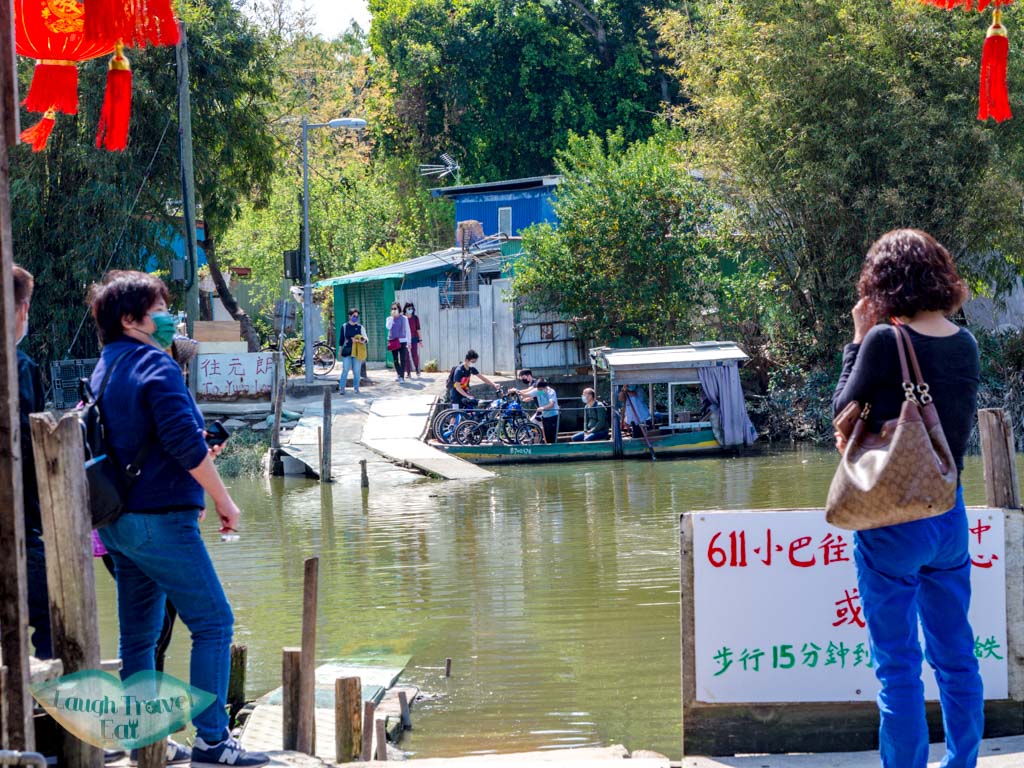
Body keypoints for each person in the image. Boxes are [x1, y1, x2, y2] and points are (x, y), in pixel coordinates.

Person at [88, 270, 269, 768]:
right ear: (131, 320)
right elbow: (186, 445)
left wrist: (196, 453)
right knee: (214, 622)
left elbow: (147, 439)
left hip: (119, 523)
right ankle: (213, 742)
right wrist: (225, 500)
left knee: (138, 637)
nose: (168, 318)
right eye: (160, 310)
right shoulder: (155, 363)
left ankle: (144, 740)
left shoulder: (108, 364)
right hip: (160, 521)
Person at [832, 229, 982, 768]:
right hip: (947, 513)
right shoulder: (966, 343)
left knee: (898, 667)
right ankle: (962, 762)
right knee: (957, 658)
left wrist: (857, 338)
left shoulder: (883, 342)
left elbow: (840, 414)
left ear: (884, 282)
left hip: (892, 519)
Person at [13, 265, 51, 660]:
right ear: (22, 309)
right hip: (20, 524)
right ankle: (47, 692)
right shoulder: (21, 367)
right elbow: (31, 440)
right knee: (51, 617)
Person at [338, 308, 367, 395]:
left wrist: (359, 340)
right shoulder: (344, 326)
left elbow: (366, 339)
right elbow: (341, 340)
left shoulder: (360, 327)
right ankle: (342, 388)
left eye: (357, 316)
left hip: (357, 351)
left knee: (357, 371)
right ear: (350, 316)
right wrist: (340, 351)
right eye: (354, 316)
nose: (356, 318)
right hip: (347, 351)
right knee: (345, 369)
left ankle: (356, 388)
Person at [524, 377, 560, 444]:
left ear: (545, 387)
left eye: (540, 389)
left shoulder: (550, 392)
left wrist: (543, 408)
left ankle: (553, 448)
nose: (539, 391)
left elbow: (551, 404)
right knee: (546, 436)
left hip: (553, 416)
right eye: (538, 389)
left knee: (552, 436)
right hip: (544, 416)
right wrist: (516, 391)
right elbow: (527, 394)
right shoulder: (540, 391)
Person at [385, 302, 411, 382]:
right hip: (393, 341)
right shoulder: (389, 318)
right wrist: (392, 318)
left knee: (403, 359)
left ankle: (401, 377)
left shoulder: (404, 318)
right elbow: (388, 327)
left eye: (395, 308)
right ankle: (399, 374)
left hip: (402, 341)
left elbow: (408, 330)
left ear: (399, 309)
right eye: (392, 308)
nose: (394, 310)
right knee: (395, 360)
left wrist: (409, 342)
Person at [403, 302, 423, 378]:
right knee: (406, 356)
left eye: (411, 308)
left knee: (414, 354)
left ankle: (417, 369)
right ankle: (408, 372)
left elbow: (418, 329)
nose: (410, 309)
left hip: (414, 338)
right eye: (408, 308)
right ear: (405, 309)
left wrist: (420, 340)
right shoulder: (403, 318)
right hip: (405, 339)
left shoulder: (415, 318)